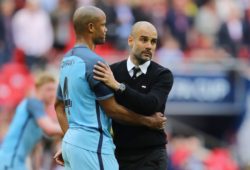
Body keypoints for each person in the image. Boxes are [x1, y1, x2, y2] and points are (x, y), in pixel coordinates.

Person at [54, 6, 166, 170]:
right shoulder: (94, 63)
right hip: (93, 145)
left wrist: (70, 140)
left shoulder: (66, 60)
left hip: (71, 144)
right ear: (91, 27)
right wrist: (148, 121)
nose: (106, 29)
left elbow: (58, 106)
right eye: (103, 24)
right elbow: (113, 110)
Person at [93, 21, 174, 170]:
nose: (149, 46)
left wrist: (118, 86)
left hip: (152, 153)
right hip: (120, 154)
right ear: (130, 40)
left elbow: (150, 104)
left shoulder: (163, 74)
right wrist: (148, 121)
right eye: (144, 39)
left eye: (153, 41)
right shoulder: (112, 71)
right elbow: (111, 110)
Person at [0, 73, 63, 170]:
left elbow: (37, 146)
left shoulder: (41, 113)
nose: (52, 93)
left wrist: (37, 167)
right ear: (37, 89)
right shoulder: (33, 103)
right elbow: (50, 129)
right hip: (9, 161)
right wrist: (76, 130)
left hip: (17, 162)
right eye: (48, 89)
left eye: (54, 89)